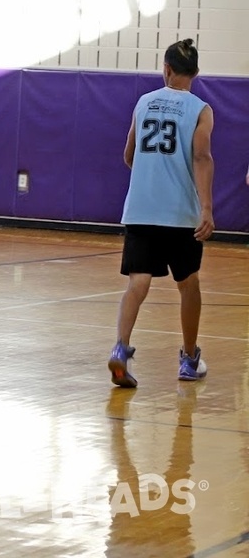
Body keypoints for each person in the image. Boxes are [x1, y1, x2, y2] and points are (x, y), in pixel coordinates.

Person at [108, 38, 214, 388]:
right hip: (179, 213)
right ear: (195, 73)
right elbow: (201, 158)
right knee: (189, 285)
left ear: (165, 69)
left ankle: (121, 349)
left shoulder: (143, 102)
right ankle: (188, 358)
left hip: (140, 209)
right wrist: (207, 209)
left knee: (138, 283)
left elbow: (128, 155)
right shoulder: (200, 109)